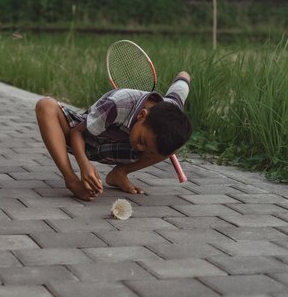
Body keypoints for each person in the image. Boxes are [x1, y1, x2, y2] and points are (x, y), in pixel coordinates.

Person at [35, 71, 192, 201]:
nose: (140, 148)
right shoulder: (118, 103)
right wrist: (84, 165)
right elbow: (77, 132)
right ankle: (71, 180)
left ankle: (119, 174)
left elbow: (182, 81)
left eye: (147, 149)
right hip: (84, 139)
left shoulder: (172, 107)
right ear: (142, 115)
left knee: (170, 146)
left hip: (119, 150)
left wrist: (185, 76)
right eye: (142, 140)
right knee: (45, 105)